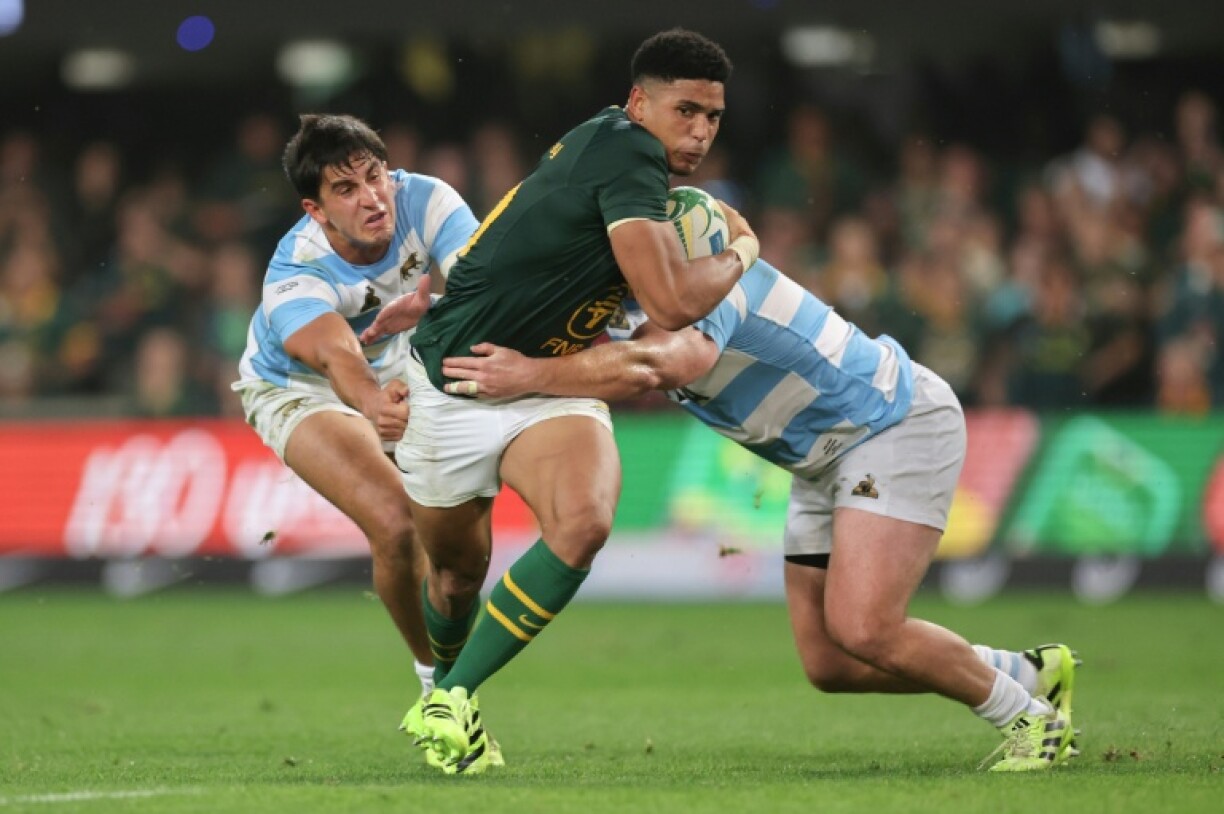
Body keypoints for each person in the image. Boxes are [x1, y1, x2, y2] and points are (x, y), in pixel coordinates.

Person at [428, 255, 1080, 773]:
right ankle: (1030, 671)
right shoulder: (619, 293)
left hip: (891, 423)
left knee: (866, 627)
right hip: (822, 459)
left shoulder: (701, 265)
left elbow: (667, 362)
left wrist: (531, 374)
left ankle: (1031, 722)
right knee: (830, 663)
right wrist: (425, 321)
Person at [366, 28, 758, 774]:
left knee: (583, 523)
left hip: (544, 379)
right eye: (686, 111)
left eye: (713, 117)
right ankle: (446, 691)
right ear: (639, 103)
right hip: (456, 381)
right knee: (452, 575)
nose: (701, 131)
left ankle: (450, 699)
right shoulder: (626, 152)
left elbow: (578, 274)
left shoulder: (624, 158)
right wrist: (743, 249)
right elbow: (672, 301)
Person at [230, 114, 479, 754]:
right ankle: (438, 690)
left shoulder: (427, 199)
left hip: (402, 364)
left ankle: (451, 670)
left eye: (374, 177)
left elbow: (485, 282)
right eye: (346, 190)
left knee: (455, 549)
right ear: (315, 209)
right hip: (296, 390)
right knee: (396, 524)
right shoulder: (295, 275)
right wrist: (372, 404)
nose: (371, 198)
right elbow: (339, 358)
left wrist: (429, 306)